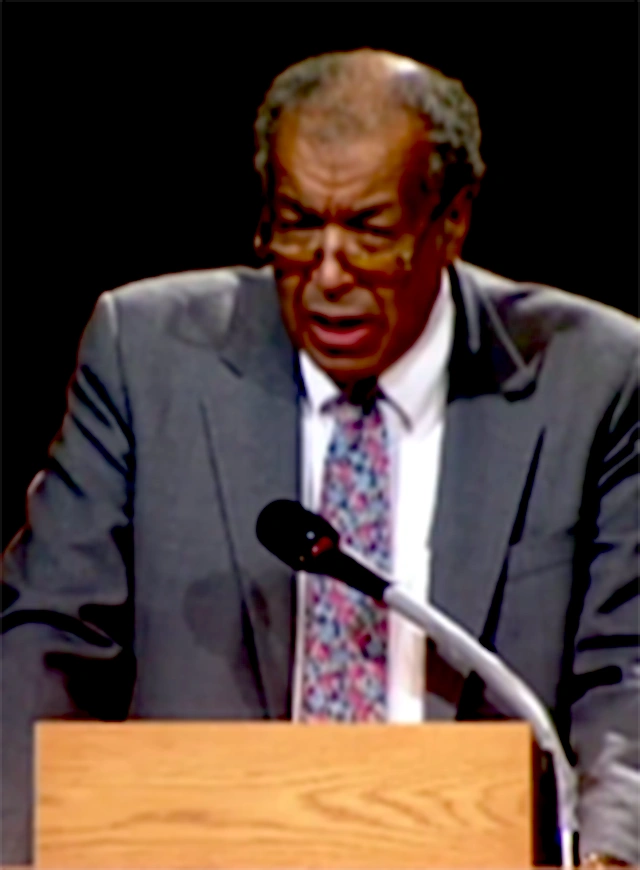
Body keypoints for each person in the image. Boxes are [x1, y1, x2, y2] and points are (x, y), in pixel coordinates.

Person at [1, 48, 638, 866]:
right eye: (299, 224)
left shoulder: (592, 381)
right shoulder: (146, 356)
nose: (328, 273)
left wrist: (614, 857)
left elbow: (627, 671)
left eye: (369, 231)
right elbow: (48, 637)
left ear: (452, 218)